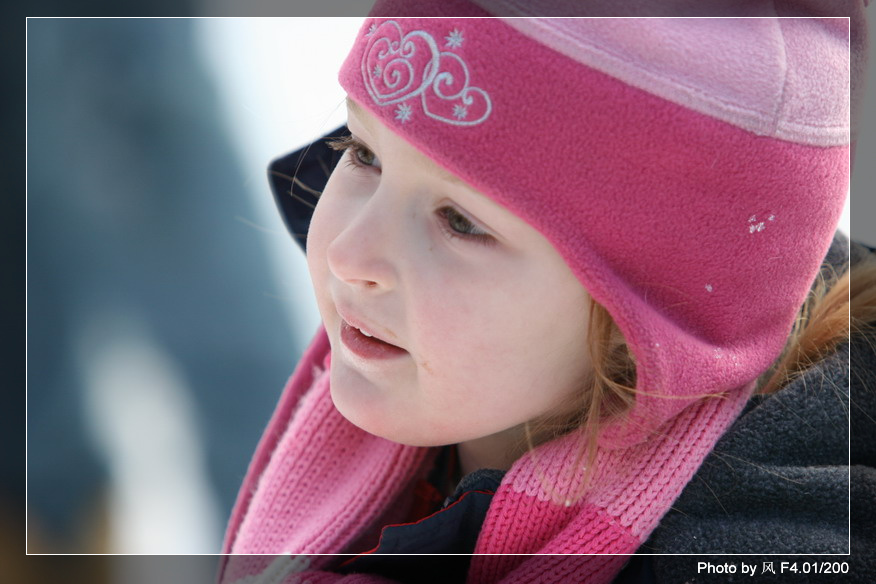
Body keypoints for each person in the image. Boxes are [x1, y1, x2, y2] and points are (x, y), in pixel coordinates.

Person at [218, 4, 876, 583]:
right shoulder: (449, 404)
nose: (347, 255)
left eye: (461, 222)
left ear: (646, 319)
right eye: (365, 153)